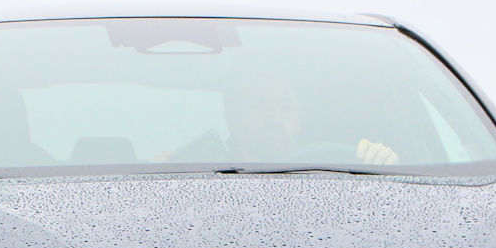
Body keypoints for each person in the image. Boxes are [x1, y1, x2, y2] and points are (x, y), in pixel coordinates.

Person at [165, 76, 399, 165]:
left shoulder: (337, 168)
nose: (274, 118)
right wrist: (163, 170)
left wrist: (382, 164)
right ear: (232, 117)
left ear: (299, 119)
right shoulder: (199, 172)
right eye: (258, 106)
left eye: (285, 107)